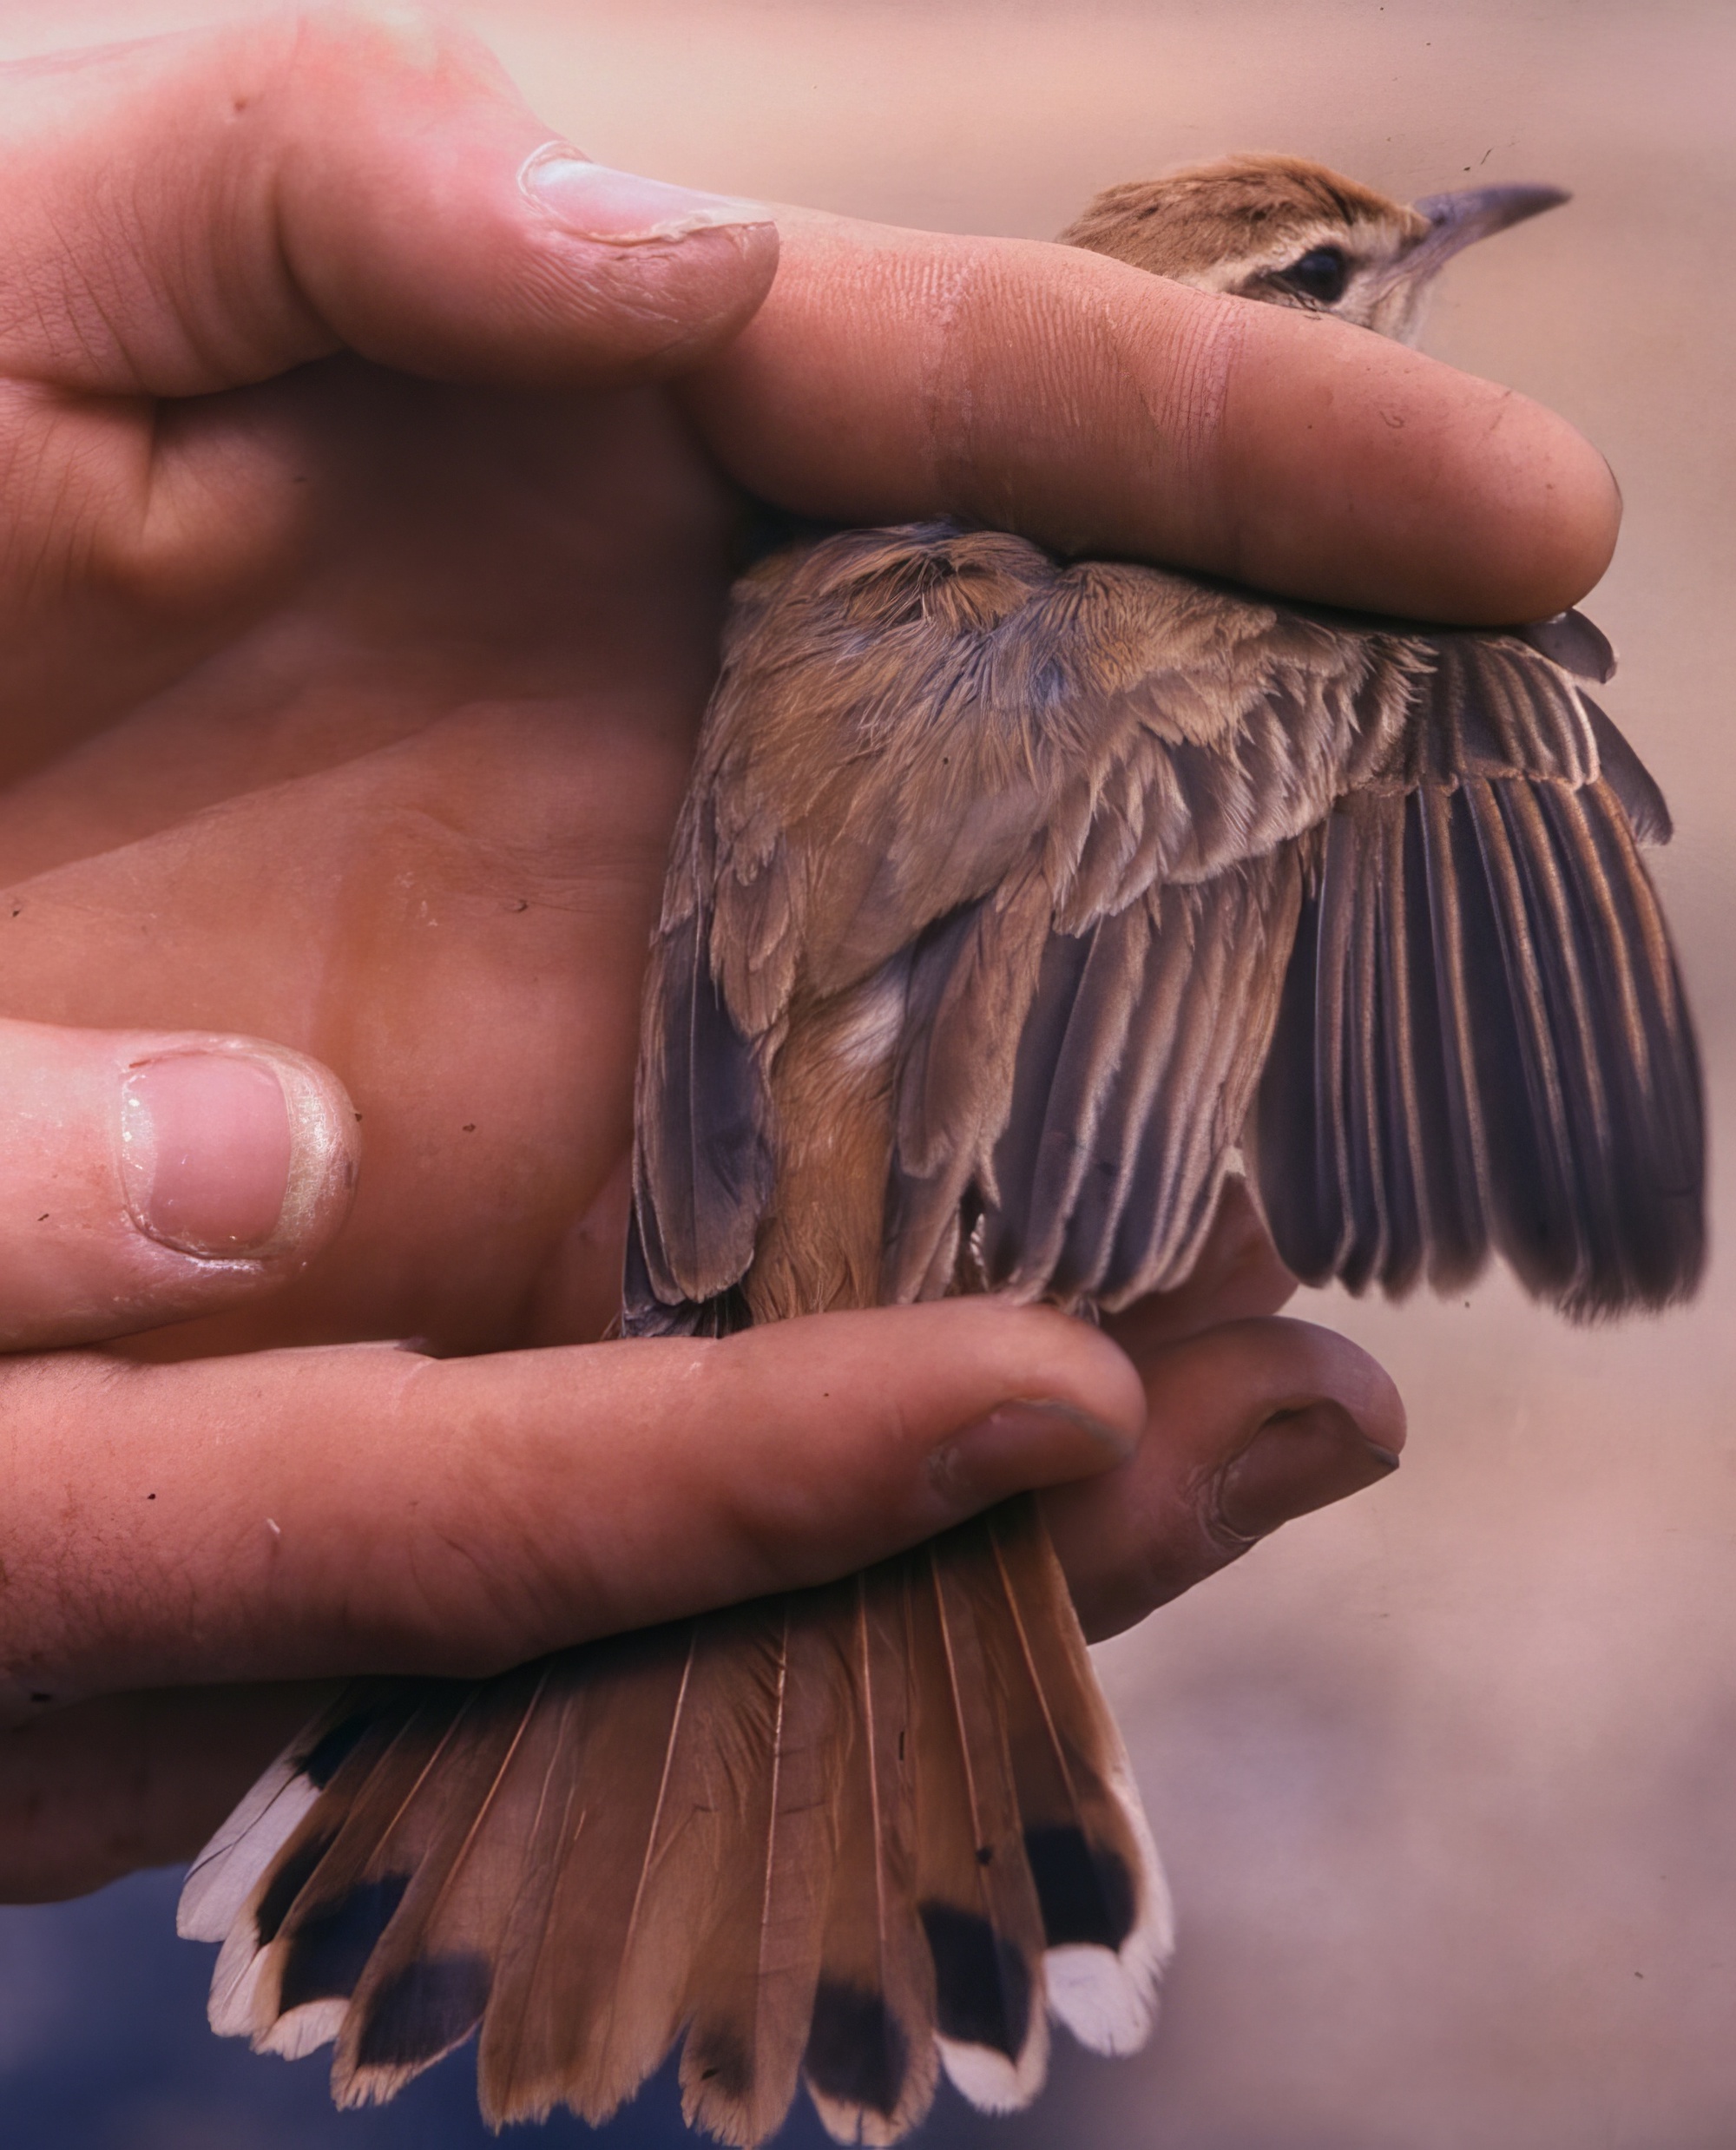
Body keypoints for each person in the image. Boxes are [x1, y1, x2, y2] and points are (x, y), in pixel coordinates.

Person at [0, 6, 1615, 1901]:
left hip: (716, 1227)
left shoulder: (810, 579)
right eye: (1332, 279)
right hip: (958, 1247)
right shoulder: (1364, 632)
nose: (1420, 253)